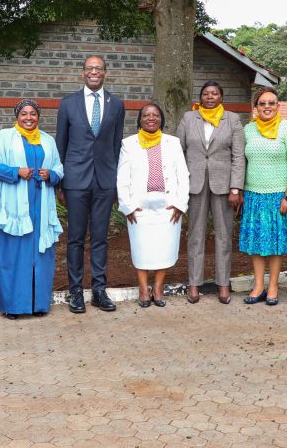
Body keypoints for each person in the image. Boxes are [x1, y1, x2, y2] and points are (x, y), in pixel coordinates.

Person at [55, 55, 125, 314]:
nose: (94, 72)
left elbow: (117, 145)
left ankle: (98, 289)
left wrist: (117, 182)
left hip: (105, 179)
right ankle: (75, 291)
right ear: (82, 73)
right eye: (90, 68)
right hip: (75, 179)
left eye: (99, 68)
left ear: (105, 73)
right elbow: (60, 144)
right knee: (75, 238)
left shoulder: (116, 104)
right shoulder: (68, 103)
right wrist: (59, 183)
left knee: (100, 237)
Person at [0, 100, 63, 319]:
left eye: (33, 114)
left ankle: (38, 304)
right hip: (14, 207)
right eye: (24, 114)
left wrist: (52, 175)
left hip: (41, 206)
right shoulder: (4, 137)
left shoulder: (47, 140)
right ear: (17, 116)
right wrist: (15, 171)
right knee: (14, 254)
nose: (29, 118)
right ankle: (13, 305)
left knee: (40, 254)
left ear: (39, 116)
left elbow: (58, 166)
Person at [176, 81, 245, 304]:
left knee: (224, 236)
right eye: (206, 93)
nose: (210, 96)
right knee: (195, 235)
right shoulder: (189, 118)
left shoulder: (232, 119)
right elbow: (178, 152)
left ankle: (223, 284)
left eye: (215, 93)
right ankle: (194, 284)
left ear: (221, 97)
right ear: (201, 97)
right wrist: (179, 185)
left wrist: (236, 187)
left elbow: (238, 156)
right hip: (194, 184)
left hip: (224, 186)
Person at [118, 103, 189, 307]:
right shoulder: (129, 144)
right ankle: (143, 289)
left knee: (163, 249)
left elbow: (182, 175)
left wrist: (179, 204)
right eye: (146, 115)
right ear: (140, 120)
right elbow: (122, 177)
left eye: (156, 115)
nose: (151, 118)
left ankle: (158, 288)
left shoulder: (173, 143)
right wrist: (127, 206)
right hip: (139, 208)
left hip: (168, 208)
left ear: (161, 119)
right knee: (142, 250)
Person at [240, 86, 287, 306]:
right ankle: (258, 286)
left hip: (279, 196)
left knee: (276, 244)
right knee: (256, 243)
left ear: (278, 106)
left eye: (271, 103)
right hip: (253, 196)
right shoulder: (247, 130)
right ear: (255, 107)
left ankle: (273, 286)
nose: (267, 107)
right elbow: (241, 162)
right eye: (262, 103)